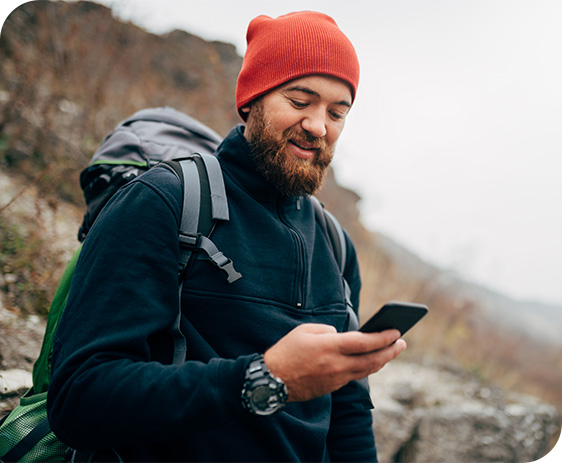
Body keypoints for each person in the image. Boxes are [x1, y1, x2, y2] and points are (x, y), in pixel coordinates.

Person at [47, 11, 406, 462]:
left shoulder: (335, 245)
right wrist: (261, 379)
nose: (319, 126)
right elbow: (79, 398)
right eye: (300, 101)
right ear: (251, 100)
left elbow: (348, 413)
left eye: (338, 112)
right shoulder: (164, 201)